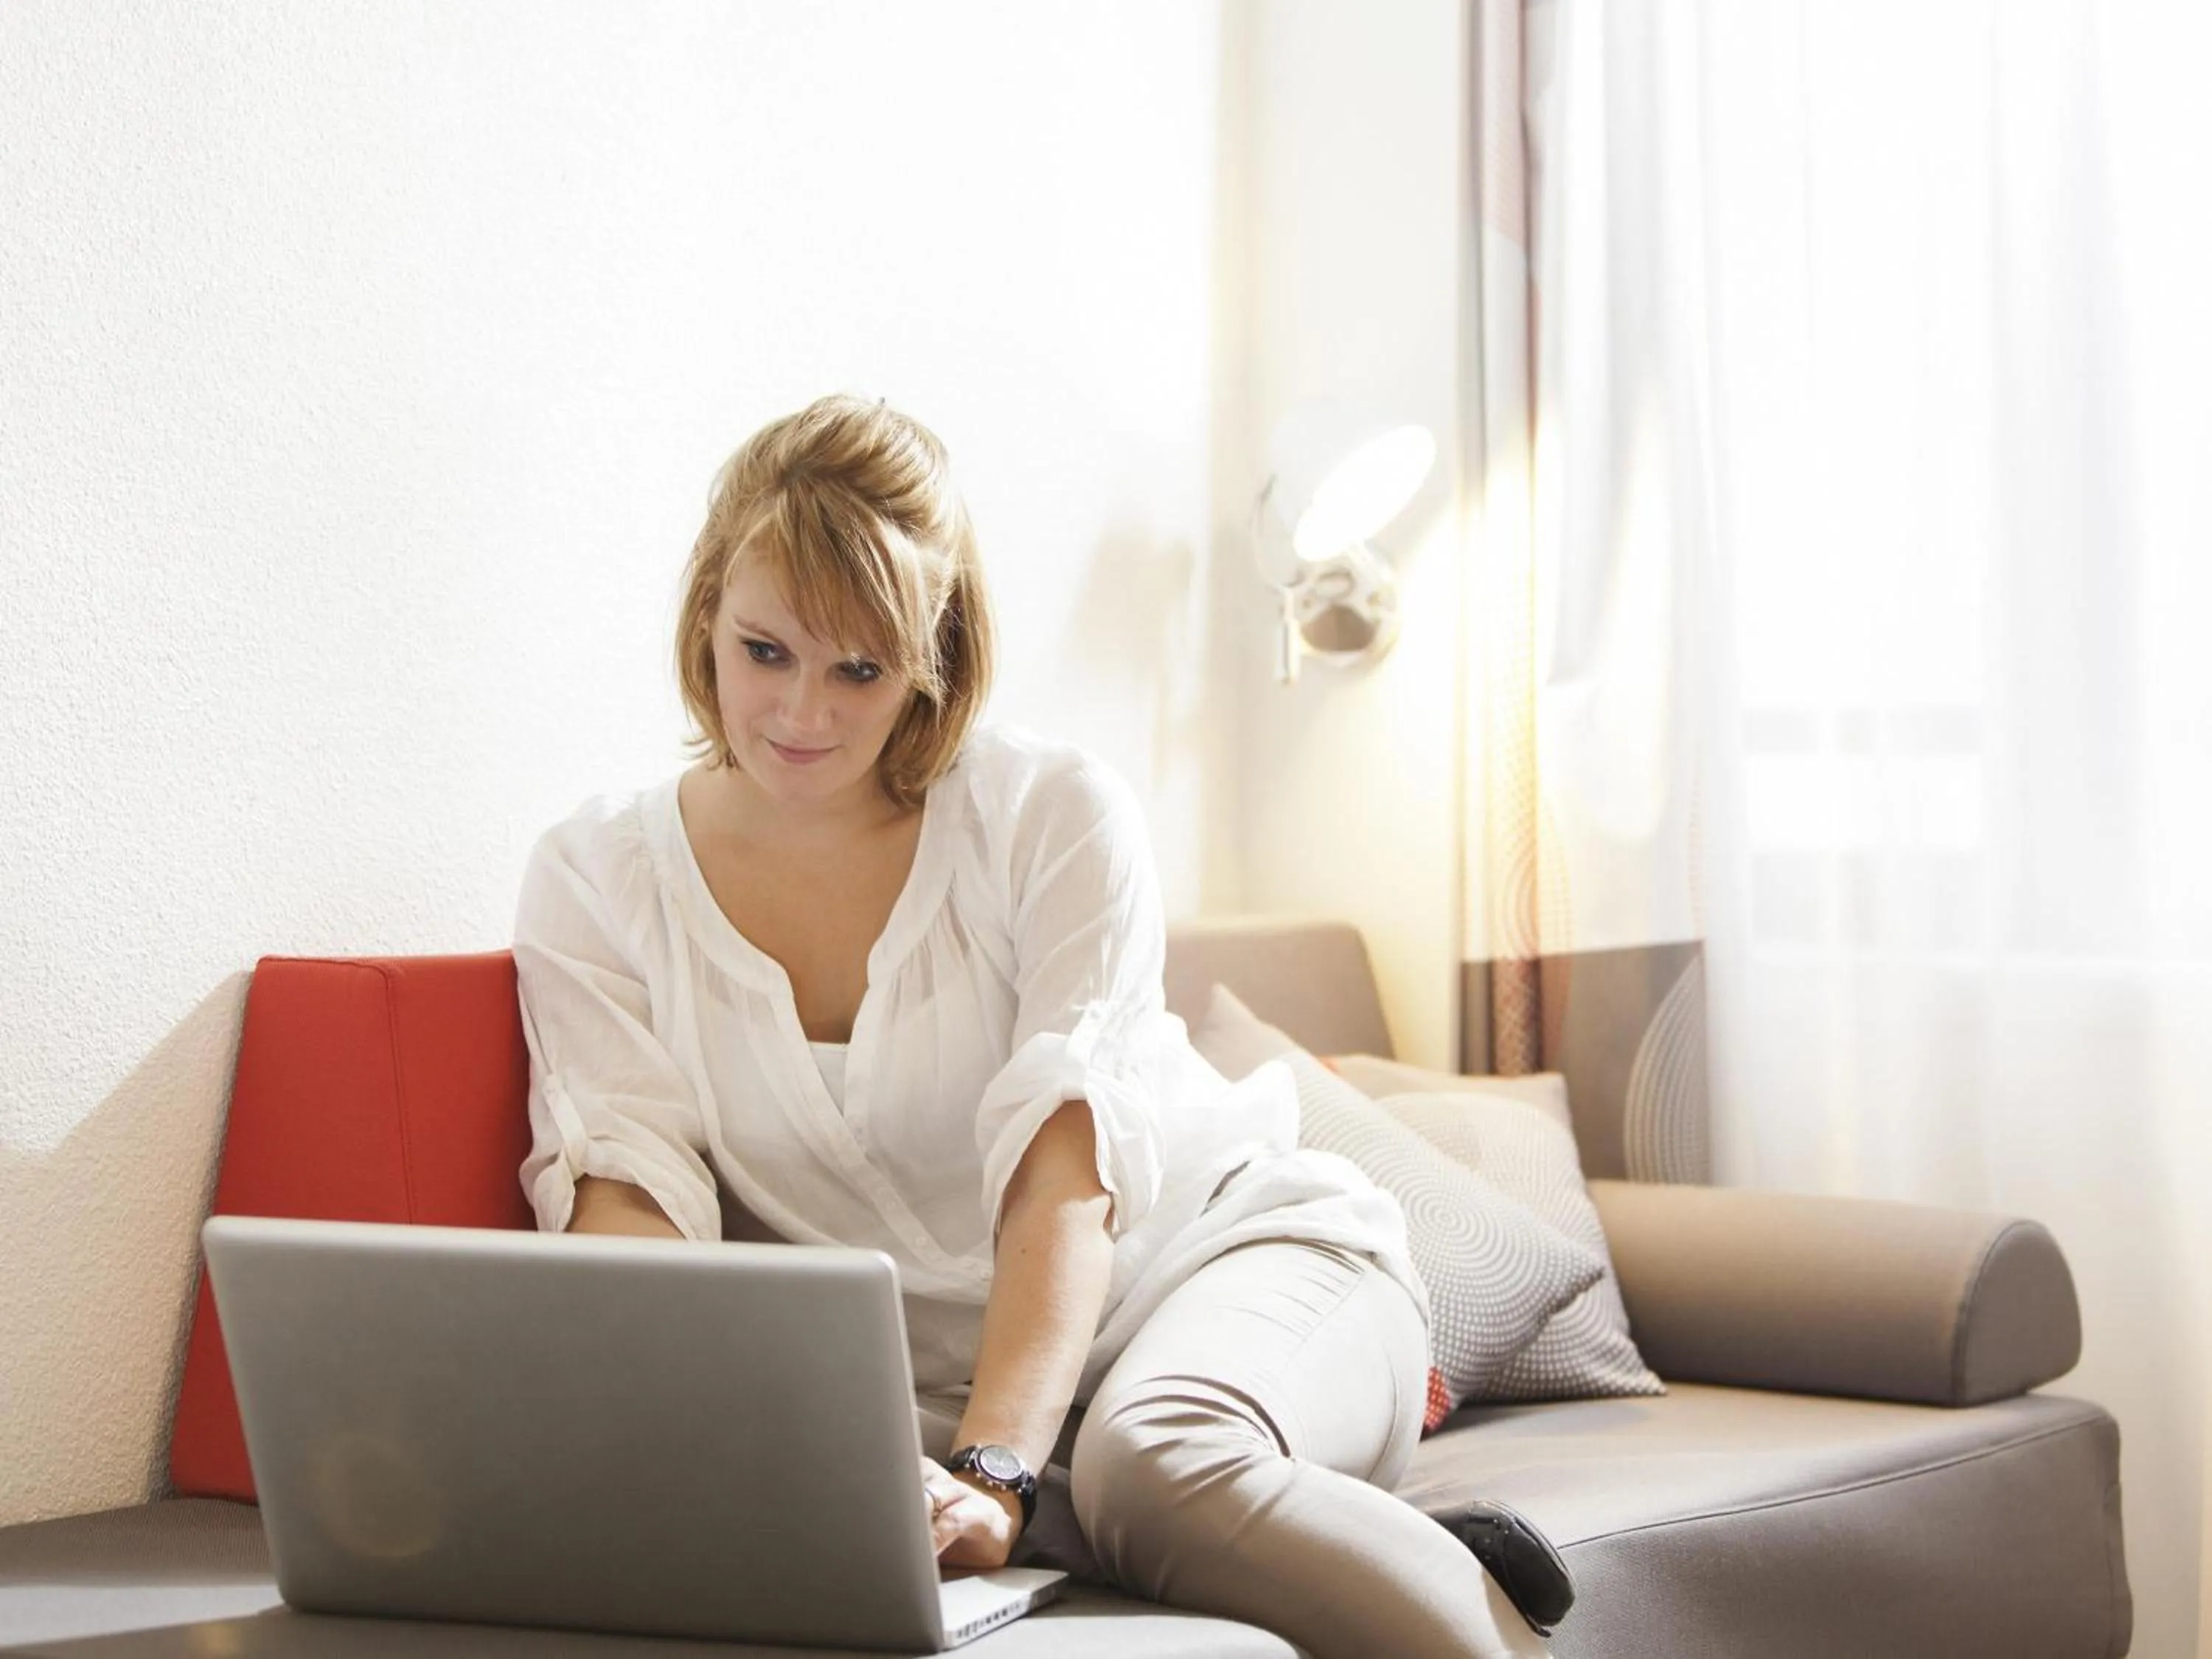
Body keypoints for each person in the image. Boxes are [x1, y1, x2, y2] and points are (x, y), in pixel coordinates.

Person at [512, 394, 1568, 1659]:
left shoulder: (1050, 815)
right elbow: (630, 1210)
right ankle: (1389, 1538)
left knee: (1152, 1464)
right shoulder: (595, 878)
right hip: (931, 1389)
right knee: (865, 1509)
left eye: (863, 667)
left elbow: (1063, 1179)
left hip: (1231, 1266)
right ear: (705, 621)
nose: (805, 712)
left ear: (934, 656)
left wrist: (1001, 1471)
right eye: (766, 651)